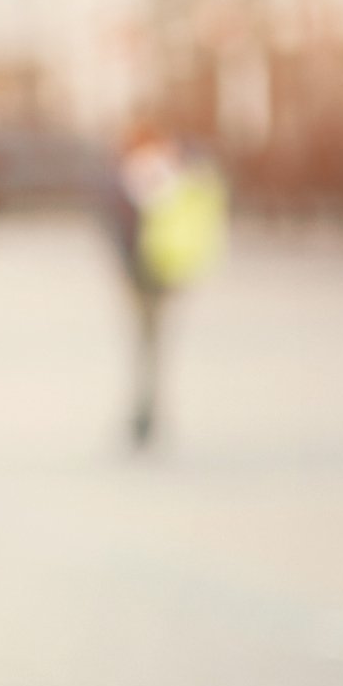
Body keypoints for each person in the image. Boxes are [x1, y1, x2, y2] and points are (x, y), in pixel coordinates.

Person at [104, 116, 227, 447]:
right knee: (153, 343)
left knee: (147, 343)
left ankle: (146, 410)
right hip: (169, 267)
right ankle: (149, 409)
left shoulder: (139, 171)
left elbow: (120, 224)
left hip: (145, 270)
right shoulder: (182, 168)